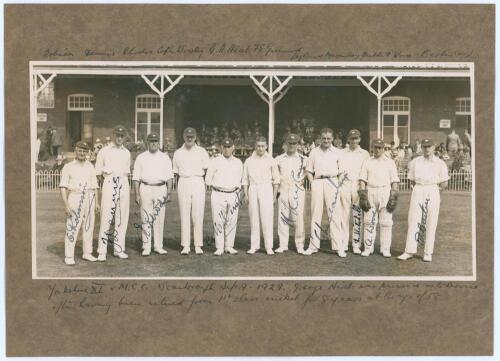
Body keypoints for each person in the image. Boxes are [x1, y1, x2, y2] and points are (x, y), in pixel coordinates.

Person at [398, 139, 449, 262]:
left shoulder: (440, 163)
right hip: (418, 189)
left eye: (429, 146)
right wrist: (418, 189)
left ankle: (428, 252)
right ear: (421, 147)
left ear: (434, 147)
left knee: (431, 221)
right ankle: (409, 251)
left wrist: (436, 194)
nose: (426, 149)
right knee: (414, 219)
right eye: (424, 146)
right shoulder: (415, 162)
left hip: (433, 189)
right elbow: (412, 180)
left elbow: (444, 183)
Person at [304, 128, 345, 256]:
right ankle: (313, 246)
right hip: (318, 181)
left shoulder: (338, 152)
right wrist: (313, 183)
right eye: (324, 138)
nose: (326, 140)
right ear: (320, 138)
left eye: (328, 138)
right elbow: (309, 170)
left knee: (334, 214)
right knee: (315, 213)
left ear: (332, 139)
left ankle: (338, 247)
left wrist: (337, 184)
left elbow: (342, 172)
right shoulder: (314, 152)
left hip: (332, 182)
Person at [59, 141, 100, 265]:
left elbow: (95, 186)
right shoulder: (68, 166)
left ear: (87, 153)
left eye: (84, 151)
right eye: (79, 151)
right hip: (75, 197)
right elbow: (63, 187)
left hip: (89, 197)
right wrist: (66, 205)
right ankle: (69, 256)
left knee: (88, 226)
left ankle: (87, 253)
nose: (82, 153)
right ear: (75, 151)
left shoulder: (90, 166)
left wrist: (97, 203)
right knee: (72, 227)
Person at [133, 133, 174, 256]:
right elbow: (136, 177)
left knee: (159, 218)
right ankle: (146, 246)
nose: (154, 143)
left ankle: (158, 246)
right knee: (146, 218)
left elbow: (170, 177)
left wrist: (169, 192)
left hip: (160, 188)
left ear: (159, 142)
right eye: (151, 141)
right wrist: (137, 194)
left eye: (156, 141)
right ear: (147, 143)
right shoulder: (141, 157)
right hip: (145, 188)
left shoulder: (164, 157)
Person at [358, 138, 400, 257]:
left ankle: (385, 249)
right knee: (369, 221)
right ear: (372, 148)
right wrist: (363, 196)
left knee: (386, 222)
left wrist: (393, 196)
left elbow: (394, 181)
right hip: (371, 190)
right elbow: (362, 180)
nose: (377, 150)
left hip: (385, 191)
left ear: (384, 149)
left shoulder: (390, 162)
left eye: (380, 148)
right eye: (375, 147)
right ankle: (368, 247)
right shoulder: (367, 162)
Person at [95, 125, 131, 261]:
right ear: (113, 135)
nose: (120, 138)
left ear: (124, 137)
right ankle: (102, 251)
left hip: (123, 183)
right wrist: (106, 184)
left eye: (122, 136)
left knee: (122, 217)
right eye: (117, 135)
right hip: (109, 182)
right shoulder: (104, 151)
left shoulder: (126, 152)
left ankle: (118, 249)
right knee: (106, 217)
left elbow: (126, 171)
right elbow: (98, 173)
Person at [173, 127, 210, 255]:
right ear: (183, 137)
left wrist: (197, 178)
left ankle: (198, 245)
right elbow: (176, 172)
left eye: (192, 136)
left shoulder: (202, 151)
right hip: (183, 181)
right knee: (184, 213)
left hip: (198, 181)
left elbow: (206, 169)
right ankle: (185, 245)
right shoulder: (178, 152)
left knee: (198, 214)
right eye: (187, 136)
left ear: (195, 137)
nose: (189, 139)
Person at [242, 137, 280, 255]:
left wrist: (274, 196)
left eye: (263, 146)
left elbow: (276, 180)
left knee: (267, 218)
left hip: (266, 188)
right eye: (258, 146)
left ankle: (269, 247)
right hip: (253, 188)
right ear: (255, 146)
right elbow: (245, 180)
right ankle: (254, 246)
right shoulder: (249, 160)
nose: (260, 148)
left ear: (266, 147)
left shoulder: (271, 160)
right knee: (254, 217)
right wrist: (246, 194)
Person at [205, 138, 243, 256]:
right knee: (218, 220)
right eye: (225, 147)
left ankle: (229, 246)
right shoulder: (215, 161)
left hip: (233, 193)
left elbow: (241, 179)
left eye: (229, 147)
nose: (227, 149)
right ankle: (219, 247)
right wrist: (215, 187)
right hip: (218, 193)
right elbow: (208, 179)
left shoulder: (238, 162)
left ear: (233, 148)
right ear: (221, 148)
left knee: (231, 220)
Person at [339, 129, 370, 255]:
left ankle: (356, 244)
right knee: (343, 216)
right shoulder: (341, 153)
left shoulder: (365, 154)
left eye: (356, 138)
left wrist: (363, 189)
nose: (354, 141)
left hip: (357, 186)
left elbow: (366, 171)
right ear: (348, 139)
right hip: (344, 185)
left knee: (357, 216)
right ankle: (343, 243)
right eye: (351, 139)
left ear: (359, 139)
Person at [275, 134, 308, 254]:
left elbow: (307, 172)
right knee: (282, 218)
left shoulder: (303, 159)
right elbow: (276, 174)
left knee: (297, 218)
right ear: (286, 144)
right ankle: (283, 244)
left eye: (294, 143)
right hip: (283, 190)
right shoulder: (279, 159)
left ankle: (299, 245)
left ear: (298, 145)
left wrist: (301, 181)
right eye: (290, 143)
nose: (292, 146)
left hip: (297, 191)